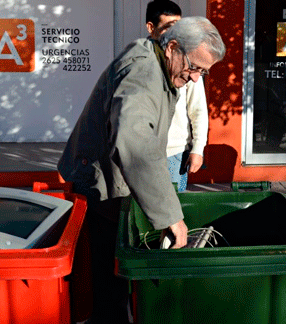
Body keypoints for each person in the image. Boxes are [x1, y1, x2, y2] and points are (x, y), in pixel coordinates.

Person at [58, 17, 225, 324]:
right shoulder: (144, 72)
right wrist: (171, 217)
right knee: (111, 268)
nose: (196, 79)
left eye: (203, 72)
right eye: (194, 67)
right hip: (101, 181)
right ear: (172, 47)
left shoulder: (159, 62)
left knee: (115, 266)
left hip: (112, 176)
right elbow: (134, 141)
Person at [145, 0, 209, 192]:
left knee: (174, 211)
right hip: (141, 154)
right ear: (151, 27)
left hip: (175, 153)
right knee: (142, 213)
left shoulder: (187, 58)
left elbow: (198, 108)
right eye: (169, 26)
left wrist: (198, 148)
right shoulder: (136, 60)